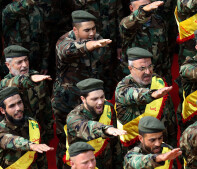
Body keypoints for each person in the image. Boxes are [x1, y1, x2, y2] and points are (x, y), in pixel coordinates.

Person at [52, 10, 112, 168]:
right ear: (75, 30)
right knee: (67, 142)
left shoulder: (98, 39)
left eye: (93, 29)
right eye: (87, 30)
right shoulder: (63, 41)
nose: (92, 33)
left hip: (91, 101)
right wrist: (88, 45)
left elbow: (103, 66)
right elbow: (67, 51)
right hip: (67, 100)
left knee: (96, 138)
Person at [115, 47, 179, 150]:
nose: (148, 72)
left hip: (163, 145)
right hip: (137, 150)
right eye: (142, 68)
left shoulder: (157, 81)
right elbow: (134, 94)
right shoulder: (122, 88)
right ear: (131, 69)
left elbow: (169, 115)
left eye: (150, 66)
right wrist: (152, 94)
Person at [65, 78, 126, 169]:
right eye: (95, 99)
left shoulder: (108, 108)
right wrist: (106, 129)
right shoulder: (73, 117)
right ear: (83, 99)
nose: (100, 102)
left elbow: (114, 142)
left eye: (102, 97)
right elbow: (87, 127)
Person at [0, 45, 54, 144]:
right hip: (17, 138)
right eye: (19, 62)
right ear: (8, 65)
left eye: (26, 60)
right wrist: (31, 79)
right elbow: (17, 82)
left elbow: (46, 106)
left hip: (38, 133)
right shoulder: (4, 85)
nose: (24, 65)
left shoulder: (37, 78)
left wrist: (49, 130)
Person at [119, 0, 173, 85]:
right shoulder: (127, 24)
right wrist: (144, 11)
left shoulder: (158, 21)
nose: (148, 9)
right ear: (131, 8)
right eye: (142, 7)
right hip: (136, 77)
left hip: (157, 73)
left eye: (149, 5)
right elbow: (126, 24)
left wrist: (167, 77)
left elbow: (164, 51)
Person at [0, 87, 54, 168]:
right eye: (12, 106)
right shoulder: (1, 129)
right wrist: (31, 145)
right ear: (2, 110)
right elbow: (10, 140)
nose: (18, 108)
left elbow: (40, 157)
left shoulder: (32, 123)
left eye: (19, 103)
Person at [2, 0, 50, 74]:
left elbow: (44, 38)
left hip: (35, 62)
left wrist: (44, 63)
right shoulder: (9, 9)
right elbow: (24, 5)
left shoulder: (37, 10)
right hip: (16, 63)